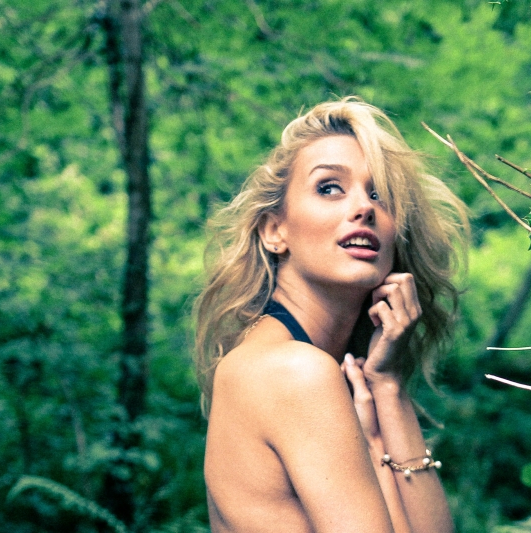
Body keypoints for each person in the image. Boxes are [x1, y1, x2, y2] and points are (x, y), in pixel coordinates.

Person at [194, 97, 468, 532]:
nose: (364, 207)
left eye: (380, 194)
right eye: (329, 188)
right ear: (275, 230)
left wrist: (390, 387)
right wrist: (373, 443)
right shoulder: (294, 371)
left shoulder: (286, 359)